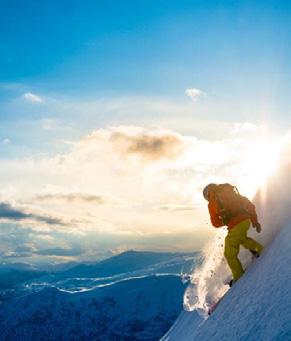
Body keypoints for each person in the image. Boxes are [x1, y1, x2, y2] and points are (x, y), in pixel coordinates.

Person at [203, 183, 264, 285]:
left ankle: (239, 277)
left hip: (235, 226)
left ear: (207, 195)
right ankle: (260, 250)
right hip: (246, 221)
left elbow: (215, 223)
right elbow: (250, 205)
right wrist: (255, 221)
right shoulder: (230, 191)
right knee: (242, 239)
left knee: (229, 254)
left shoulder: (212, 202)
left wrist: (226, 220)